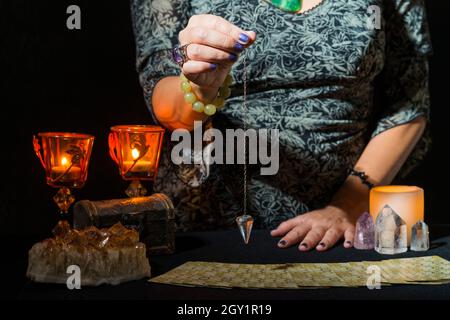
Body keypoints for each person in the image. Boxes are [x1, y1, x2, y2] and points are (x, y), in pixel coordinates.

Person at [131, 0, 432, 251]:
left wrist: (349, 204)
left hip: (341, 235)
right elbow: (163, 100)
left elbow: (410, 100)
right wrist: (198, 89)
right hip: (209, 234)